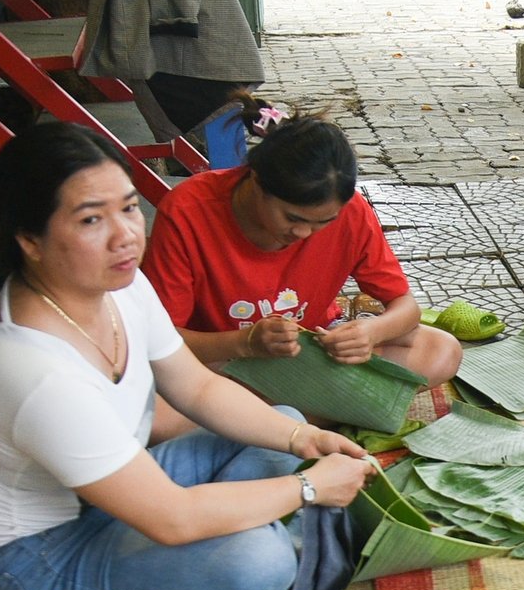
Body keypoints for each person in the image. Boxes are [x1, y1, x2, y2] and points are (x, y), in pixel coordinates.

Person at [0, 123, 376, 590]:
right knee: (262, 562)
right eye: (90, 220)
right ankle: (201, 578)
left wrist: (308, 439)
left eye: (127, 208)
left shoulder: (118, 286)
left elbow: (199, 387)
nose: (125, 235)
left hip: (113, 500)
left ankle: (190, 577)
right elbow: (173, 518)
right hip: (45, 561)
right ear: (30, 240)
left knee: (285, 426)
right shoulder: (34, 370)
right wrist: (310, 490)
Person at [140, 109, 461, 384]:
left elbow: (406, 308)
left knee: (442, 351)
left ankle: (275, 414)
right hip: (223, 359)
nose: (304, 233)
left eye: (322, 222)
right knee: (163, 390)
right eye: (292, 218)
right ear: (256, 181)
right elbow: (161, 339)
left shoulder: (351, 212)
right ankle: (310, 409)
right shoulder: (189, 209)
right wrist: (245, 342)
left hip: (312, 350)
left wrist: (371, 333)